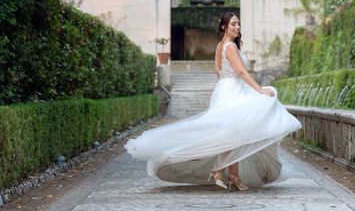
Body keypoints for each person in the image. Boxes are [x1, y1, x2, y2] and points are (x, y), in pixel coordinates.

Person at [125, 12, 301, 191]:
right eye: (233, 24)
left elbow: (218, 71)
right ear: (224, 26)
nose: (237, 27)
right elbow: (241, 72)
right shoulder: (230, 47)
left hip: (224, 89)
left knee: (233, 134)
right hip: (233, 90)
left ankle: (232, 176)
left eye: (238, 24)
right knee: (242, 124)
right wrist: (259, 89)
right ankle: (219, 171)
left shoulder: (220, 46)